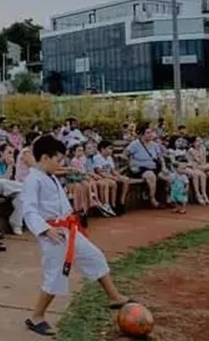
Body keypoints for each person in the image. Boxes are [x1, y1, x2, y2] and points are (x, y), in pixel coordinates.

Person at [22, 134, 131, 337]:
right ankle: (36, 317)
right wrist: (46, 229)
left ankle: (114, 296)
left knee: (94, 256)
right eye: (58, 160)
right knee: (56, 275)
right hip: (53, 234)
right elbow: (29, 211)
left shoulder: (49, 176)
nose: (60, 164)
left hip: (68, 230)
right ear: (45, 157)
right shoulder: (32, 180)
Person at [124, 122, 170, 208]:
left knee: (169, 177)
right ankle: (152, 199)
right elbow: (125, 155)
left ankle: (168, 198)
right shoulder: (135, 144)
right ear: (142, 134)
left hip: (154, 167)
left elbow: (160, 157)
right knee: (151, 176)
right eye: (148, 133)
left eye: (151, 132)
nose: (150, 135)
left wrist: (164, 167)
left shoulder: (155, 145)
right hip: (141, 169)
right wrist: (131, 163)